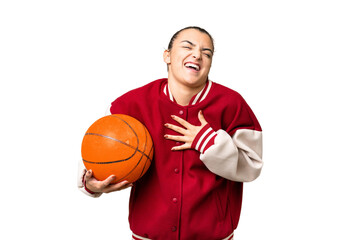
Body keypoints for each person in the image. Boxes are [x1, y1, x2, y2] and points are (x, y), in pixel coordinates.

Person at [78, 26, 263, 240]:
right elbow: (101, 150)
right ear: (167, 55)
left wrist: (208, 142)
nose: (197, 54)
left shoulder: (233, 104)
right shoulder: (133, 103)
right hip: (148, 235)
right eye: (188, 46)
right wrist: (91, 184)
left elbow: (252, 166)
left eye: (207, 52)